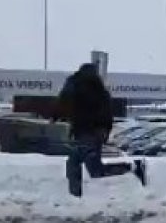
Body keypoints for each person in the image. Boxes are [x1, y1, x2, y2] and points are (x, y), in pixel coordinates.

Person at [54, 63, 147, 197]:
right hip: (90, 133)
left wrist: (55, 116)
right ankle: (75, 196)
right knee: (85, 167)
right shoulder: (99, 91)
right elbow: (107, 114)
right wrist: (105, 131)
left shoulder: (78, 87)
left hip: (88, 133)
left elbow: (65, 103)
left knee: (83, 166)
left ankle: (133, 167)